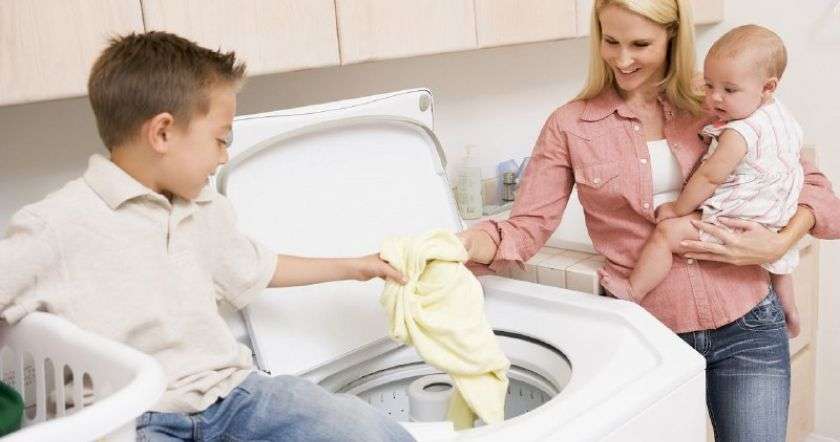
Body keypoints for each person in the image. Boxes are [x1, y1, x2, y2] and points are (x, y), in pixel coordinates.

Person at [0, 31, 413, 442]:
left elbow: (259, 266)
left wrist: (355, 267)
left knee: (368, 431)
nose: (224, 156)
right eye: (221, 139)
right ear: (162, 133)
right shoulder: (56, 226)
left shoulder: (202, 206)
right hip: (133, 418)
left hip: (232, 395)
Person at [457, 1, 840, 441]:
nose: (622, 59)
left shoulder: (717, 97)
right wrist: (459, 246)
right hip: (647, 335)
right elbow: (525, 229)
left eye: (640, 44)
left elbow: (810, 186)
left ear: (672, 38)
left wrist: (780, 242)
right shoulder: (571, 125)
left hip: (748, 323)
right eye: (611, 41)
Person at [627, 25, 804, 338]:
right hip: (775, 217)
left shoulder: (739, 133)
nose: (714, 97)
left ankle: (631, 294)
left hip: (739, 220)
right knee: (776, 261)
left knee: (666, 234)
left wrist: (678, 209)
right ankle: (789, 310)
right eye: (709, 85)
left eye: (729, 90)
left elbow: (709, 177)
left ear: (768, 87)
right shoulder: (781, 116)